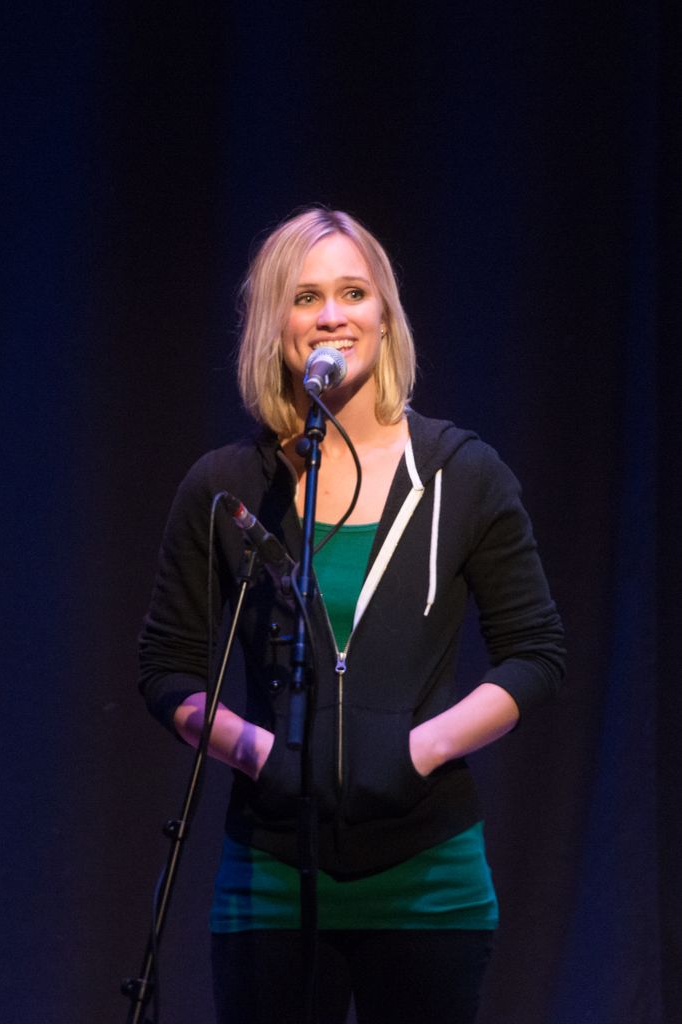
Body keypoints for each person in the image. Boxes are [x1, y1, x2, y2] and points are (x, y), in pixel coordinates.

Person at [139, 207, 565, 1024]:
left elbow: (535, 653)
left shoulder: (461, 474)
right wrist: (258, 753)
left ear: (383, 315)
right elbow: (167, 669)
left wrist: (422, 747)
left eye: (352, 292)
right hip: (269, 878)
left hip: (428, 878)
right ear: (276, 324)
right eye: (305, 296)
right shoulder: (227, 487)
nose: (331, 314)